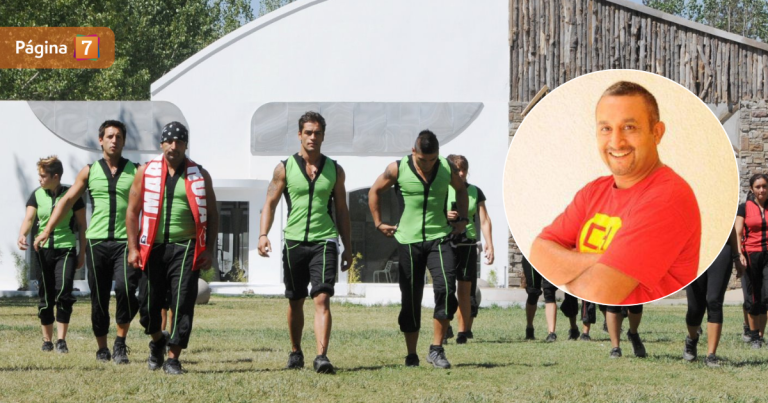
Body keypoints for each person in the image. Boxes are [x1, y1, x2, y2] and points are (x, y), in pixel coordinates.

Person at [530, 80, 701, 306]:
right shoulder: (594, 191)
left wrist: (567, 267)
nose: (616, 142)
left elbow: (593, 292)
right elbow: (539, 254)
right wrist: (606, 261)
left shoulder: (668, 197)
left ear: (657, 132)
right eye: (606, 129)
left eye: (629, 127)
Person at [33, 120, 140, 363]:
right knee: (99, 297)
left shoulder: (137, 170)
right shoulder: (89, 171)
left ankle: (120, 342)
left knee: (125, 290)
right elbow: (66, 201)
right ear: (100, 140)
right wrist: (47, 229)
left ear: (124, 141)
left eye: (119, 137)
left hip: (125, 241)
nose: (114, 140)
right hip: (96, 243)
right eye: (110, 136)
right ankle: (102, 347)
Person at [257, 111, 352, 374]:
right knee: (295, 300)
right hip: (294, 243)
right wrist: (263, 234)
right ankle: (296, 350)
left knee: (322, 298)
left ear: (323, 136)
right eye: (308, 132)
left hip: (325, 241)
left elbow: (342, 211)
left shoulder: (335, 169)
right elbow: (270, 203)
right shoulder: (284, 167)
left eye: (317, 133)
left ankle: (321, 356)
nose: (312, 137)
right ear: (299, 135)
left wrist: (348, 246)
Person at [368, 130, 468, 369]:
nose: (429, 165)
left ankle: (436, 349)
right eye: (424, 160)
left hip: (439, 237)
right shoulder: (397, 168)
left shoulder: (446, 167)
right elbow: (374, 191)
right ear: (414, 152)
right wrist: (378, 222)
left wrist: (462, 219)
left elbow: (461, 189)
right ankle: (411, 353)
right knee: (411, 298)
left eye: (433, 159)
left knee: (446, 287)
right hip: (408, 241)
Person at [126, 121, 219, 375]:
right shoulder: (145, 172)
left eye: (179, 141)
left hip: (186, 247)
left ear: (186, 145)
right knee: (146, 304)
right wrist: (133, 248)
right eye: (169, 141)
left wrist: (209, 249)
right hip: (152, 247)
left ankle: (172, 357)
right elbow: (133, 212)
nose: (174, 146)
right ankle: (157, 341)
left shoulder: (200, 174)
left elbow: (212, 214)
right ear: (161, 144)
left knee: (183, 302)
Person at [19, 156, 86, 353]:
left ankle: (61, 340)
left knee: (64, 292)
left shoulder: (72, 196)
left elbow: (82, 226)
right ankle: (47, 340)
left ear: (55, 176)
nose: (39, 179)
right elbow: (29, 218)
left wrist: (82, 253)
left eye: (42, 176)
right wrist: (22, 234)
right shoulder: (36, 195)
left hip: (66, 250)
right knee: (46, 296)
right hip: (43, 251)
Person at [444, 154, 494, 344]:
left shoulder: (475, 191)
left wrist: (489, 244)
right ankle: (445, 325)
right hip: (446, 242)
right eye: (457, 169)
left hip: (467, 243)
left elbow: (484, 219)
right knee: (446, 288)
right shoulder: (442, 190)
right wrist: (444, 214)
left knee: (465, 289)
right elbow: (429, 212)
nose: (462, 173)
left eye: (464, 168)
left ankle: (463, 332)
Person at [683, 229, 742, 367]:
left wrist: (736, 256)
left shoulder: (725, 207)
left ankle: (711, 355)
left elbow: (731, 227)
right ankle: (692, 339)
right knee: (695, 307)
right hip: (695, 248)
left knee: (714, 301)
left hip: (721, 248)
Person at [735, 173, 768, 348]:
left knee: (766, 296)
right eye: (758, 187)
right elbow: (738, 232)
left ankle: (759, 335)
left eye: (764, 186)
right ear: (752, 189)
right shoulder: (744, 207)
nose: (762, 190)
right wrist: (739, 254)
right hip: (750, 255)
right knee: (752, 297)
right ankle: (753, 333)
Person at [521, 257, 579, 342]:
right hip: (531, 255)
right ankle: (529, 329)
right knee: (532, 293)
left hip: (551, 255)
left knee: (549, 292)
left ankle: (552, 333)